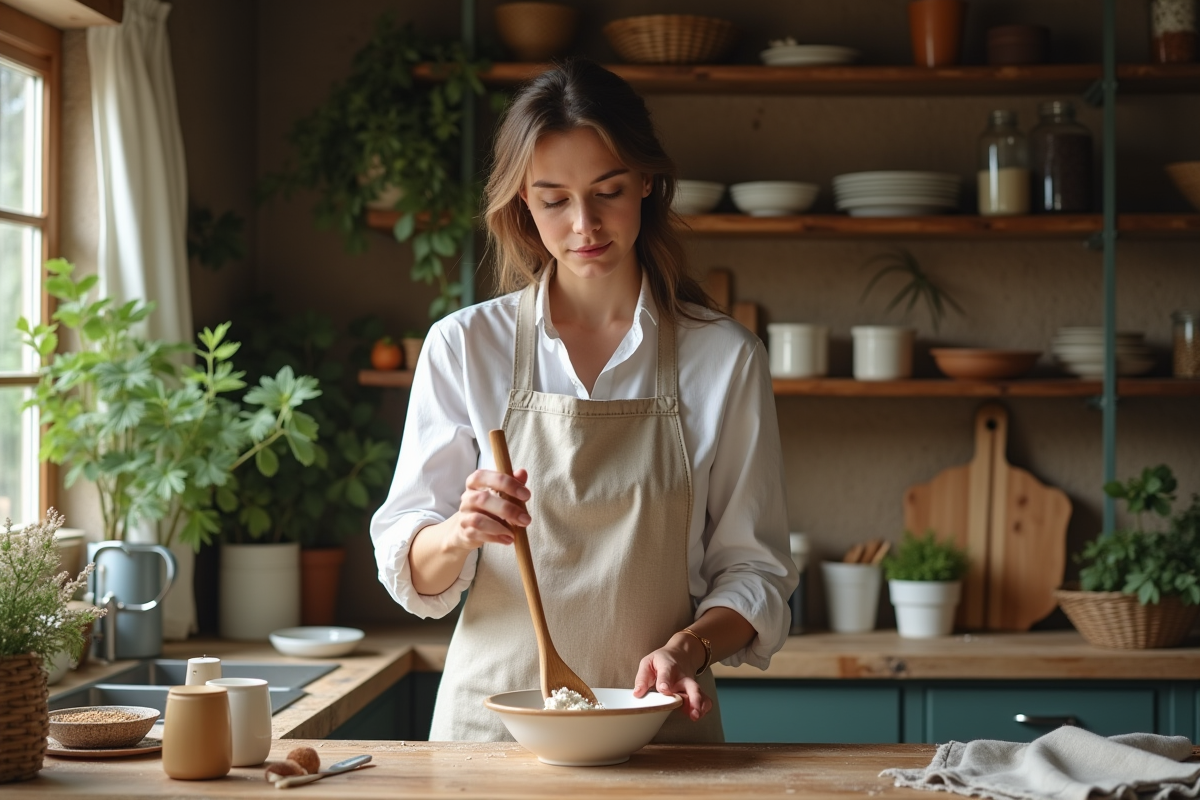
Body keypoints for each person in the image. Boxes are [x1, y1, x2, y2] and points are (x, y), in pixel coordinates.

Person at [370, 58, 796, 743]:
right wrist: (459, 531)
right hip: (490, 735)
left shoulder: (724, 358)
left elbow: (755, 572)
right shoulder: (464, 346)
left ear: (646, 182)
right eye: (553, 200)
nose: (584, 224)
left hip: (656, 727)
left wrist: (688, 648)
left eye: (608, 191)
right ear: (522, 201)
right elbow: (411, 564)